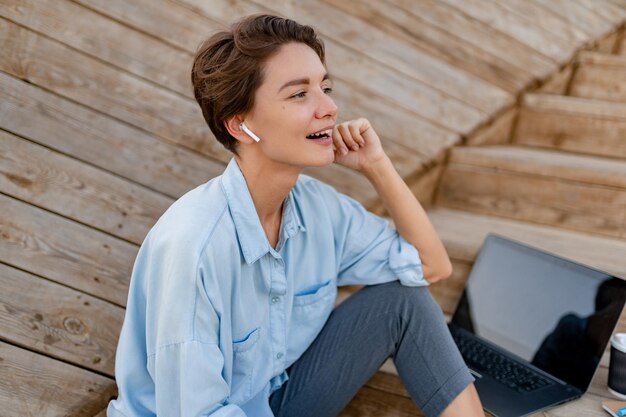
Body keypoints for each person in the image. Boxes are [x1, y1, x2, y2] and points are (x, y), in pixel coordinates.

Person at [107, 13, 483, 417]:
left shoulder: (317, 208)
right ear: (241, 124)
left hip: (276, 399)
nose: (330, 107)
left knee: (403, 300)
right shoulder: (193, 246)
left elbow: (431, 267)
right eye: (299, 94)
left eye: (325, 87)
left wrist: (377, 165)